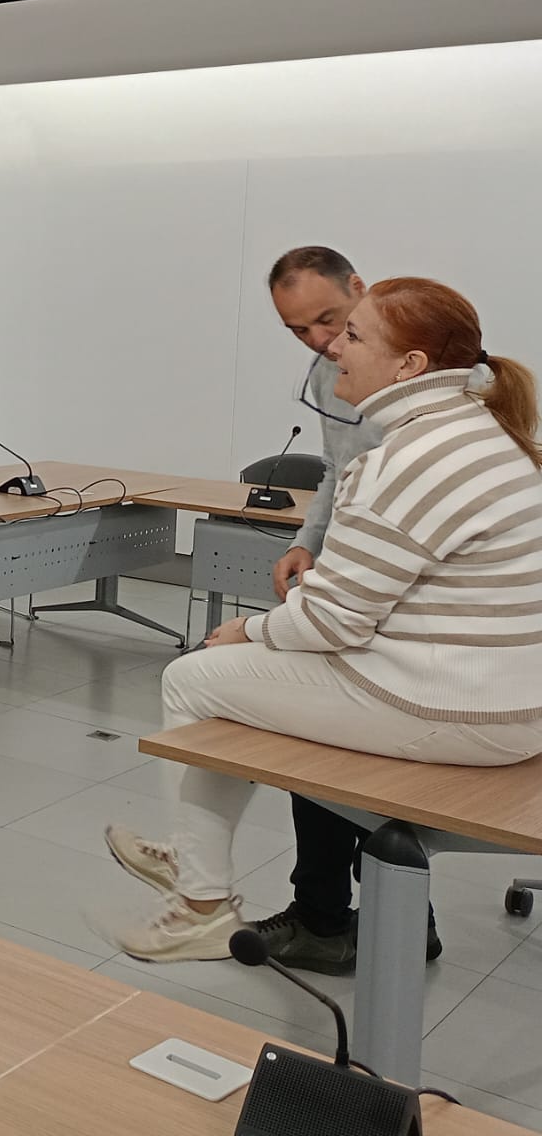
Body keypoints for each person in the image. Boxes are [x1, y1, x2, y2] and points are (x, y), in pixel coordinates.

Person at [104, 278, 542, 962]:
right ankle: (197, 865)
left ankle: (199, 901)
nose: (334, 348)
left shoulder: (409, 460)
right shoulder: (485, 433)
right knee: (253, 669)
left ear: (410, 365)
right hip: (505, 702)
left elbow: (334, 623)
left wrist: (248, 630)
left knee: (195, 676)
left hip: (457, 711)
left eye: (353, 336)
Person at [243, 245, 441, 972]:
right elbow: (339, 471)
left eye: (330, 320)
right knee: (328, 749)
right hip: (357, 578)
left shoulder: (427, 371)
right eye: (299, 330)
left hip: (407, 596)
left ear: (359, 287)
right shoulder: (334, 373)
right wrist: (308, 541)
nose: (320, 341)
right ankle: (362, 917)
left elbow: (407, 502)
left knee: (344, 748)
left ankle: (350, 919)